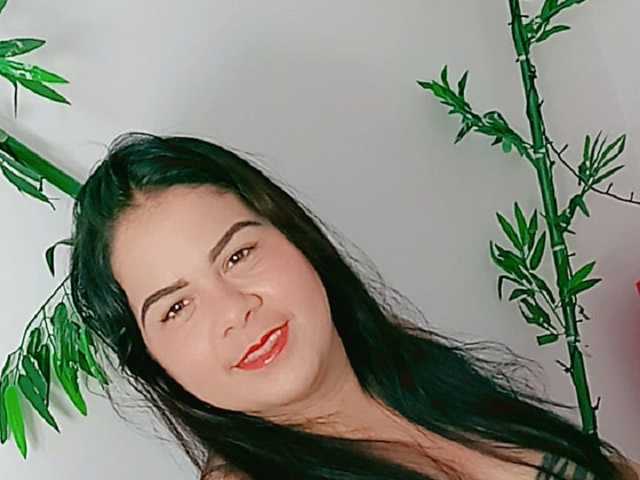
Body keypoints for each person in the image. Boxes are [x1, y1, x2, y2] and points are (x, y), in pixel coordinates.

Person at [68, 131, 638, 479]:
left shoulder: (414, 368)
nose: (234, 309)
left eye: (238, 255)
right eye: (176, 308)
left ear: (296, 240)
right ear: (153, 360)